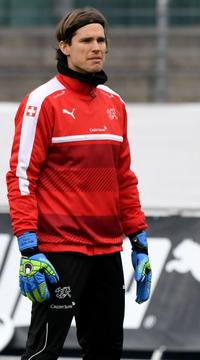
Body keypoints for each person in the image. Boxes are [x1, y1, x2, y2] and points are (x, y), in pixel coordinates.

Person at [6, 8, 151, 359]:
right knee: (43, 352)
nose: (96, 47)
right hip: (59, 252)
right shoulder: (40, 103)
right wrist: (28, 248)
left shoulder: (115, 103)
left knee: (106, 352)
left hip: (107, 251)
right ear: (65, 47)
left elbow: (123, 178)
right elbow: (21, 176)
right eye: (86, 40)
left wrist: (139, 240)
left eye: (101, 40)